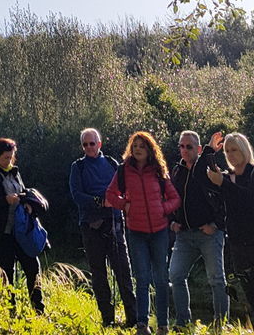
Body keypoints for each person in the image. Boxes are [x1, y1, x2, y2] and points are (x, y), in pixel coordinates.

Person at [105, 131, 180, 335]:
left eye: (142, 146)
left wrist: (162, 209)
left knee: (162, 279)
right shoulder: (123, 171)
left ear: (150, 150)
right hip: (136, 232)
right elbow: (111, 194)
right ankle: (142, 325)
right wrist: (124, 206)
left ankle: (163, 325)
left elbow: (175, 199)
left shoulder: (158, 171)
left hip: (159, 232)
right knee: (142, 278)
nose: (137, 149)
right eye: (135, 145)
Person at [69, 127, 137, 327]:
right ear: (82, 146)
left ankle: (133, 320)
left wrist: (117, 202)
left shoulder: (111, 163)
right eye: (85, 144)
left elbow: (124, 189)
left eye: (92, 143)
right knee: (99, 274)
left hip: (115, 223)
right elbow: (76, 195)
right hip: (91, 226)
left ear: (100, 144)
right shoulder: (78, 167)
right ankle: (107, 320)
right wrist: (100, 202)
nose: (89, 147)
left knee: (123, 272)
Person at [207, 131, 254, 335]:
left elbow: (252, 199)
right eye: (227, 151)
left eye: (234, 149)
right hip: (238, 247)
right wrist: (209, 151)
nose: (231, 154)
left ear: (244, 149)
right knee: (253, 298)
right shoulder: (226, 177)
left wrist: (224, 184)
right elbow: (201, 177)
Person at [0, 137, 47, 313]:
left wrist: (27, 203)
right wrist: (4, 200)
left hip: (21, 229)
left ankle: (38, 308)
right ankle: (11, 310)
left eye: (11, 157)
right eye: (5, 158)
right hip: (2, 231)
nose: (9, 161)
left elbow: (23, 193)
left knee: (33, 265)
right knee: (8, 270)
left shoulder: (16, 172)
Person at [168, 129, 228, 327]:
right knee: (176, 275)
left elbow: (225, 200)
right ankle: (183, 323)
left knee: (216, 280)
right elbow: (169, 199)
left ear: (199, 149)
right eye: (181, 146)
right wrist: (172, 221)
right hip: (184, 235)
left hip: (209, 234)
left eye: (189, 147)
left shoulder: (208, 169)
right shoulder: (177, 171)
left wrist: (217, 225)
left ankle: (221, 325)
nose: (184, 150)